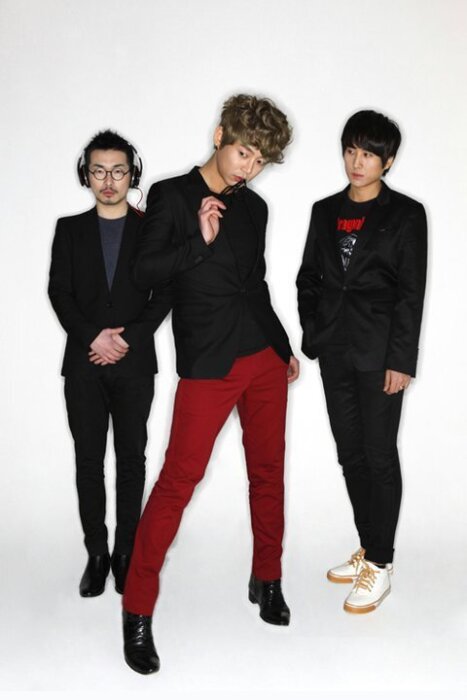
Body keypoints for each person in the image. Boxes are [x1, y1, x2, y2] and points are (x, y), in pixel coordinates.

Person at [121, 94, 299, 674]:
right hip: (209, 364)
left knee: (268, 472)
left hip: (263, 359)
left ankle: (267, 578)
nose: (249, 168)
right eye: (244, 153)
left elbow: (256, 283)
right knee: (177, 481)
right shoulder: (171, 196)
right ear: (220, 134)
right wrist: (197, 241)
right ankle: (137, 609)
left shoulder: (255, 208)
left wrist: (281, 345)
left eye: (260, 161)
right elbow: (145, 272)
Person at [297, 110, 427, 614]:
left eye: (369, 154)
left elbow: (410, 293)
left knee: (379, 454)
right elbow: (308, 278)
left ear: (387, 161)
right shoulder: (324, 211)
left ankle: (381, 562)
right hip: (335, 352)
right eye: (351, 150)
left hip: (380, 356)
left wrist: (401, 359)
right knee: (350, 454)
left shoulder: (407, 215)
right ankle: (371, 547)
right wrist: (314, 332)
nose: (357, 161)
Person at [48, 130, 171, 598]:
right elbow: (59, 292)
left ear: (131, 174)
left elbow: (165, 293)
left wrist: (127, 339)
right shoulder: (69, 229)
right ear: (86, 175)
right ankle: (97, 555)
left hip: (134, 365)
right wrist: (92, 337)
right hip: (83, 365)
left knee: (132, 460)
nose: (108, 181)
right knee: (88, 460)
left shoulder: (150, 229)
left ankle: (125, 554)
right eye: (98, 171)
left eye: (118, 171)